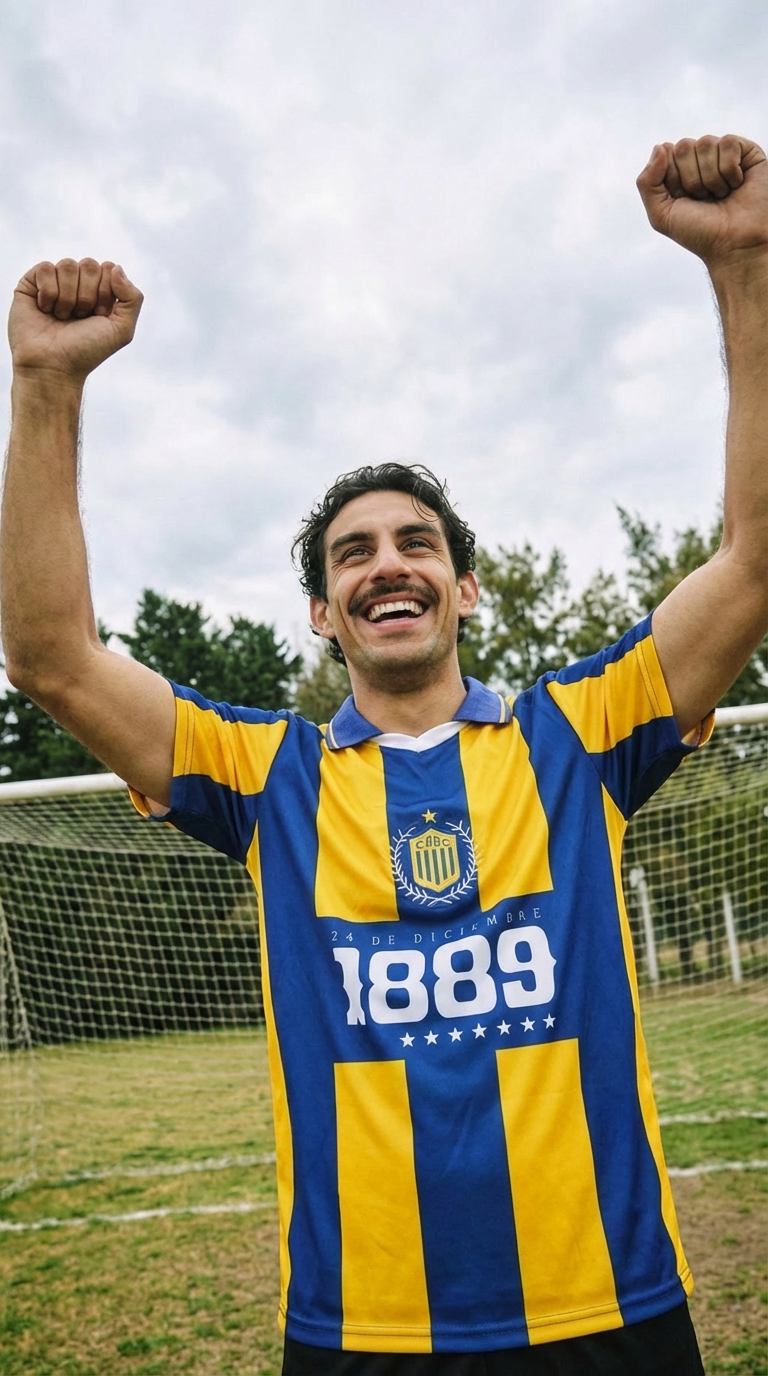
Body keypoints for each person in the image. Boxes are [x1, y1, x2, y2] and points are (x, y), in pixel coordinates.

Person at [2, 135, 766, 1375]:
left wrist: (746, 266)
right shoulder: (268, 776)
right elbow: (49, 655)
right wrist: (46, 383)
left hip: (610, 1311)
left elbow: (753, 560)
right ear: (323, 612)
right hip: (363, 1327)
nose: (386, 563)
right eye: (351, 553)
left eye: (417, 543)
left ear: (464, 587)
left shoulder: (578, 732)